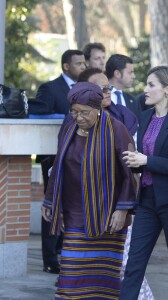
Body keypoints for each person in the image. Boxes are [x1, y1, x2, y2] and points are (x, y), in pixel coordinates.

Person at [41, 82, 137, 299]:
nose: (78, 117)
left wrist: (122, 210)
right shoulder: (69, 128)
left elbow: (130, 173)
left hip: (108, 214)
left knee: (104, 280)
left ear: (98, 109)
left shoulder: (117, 130)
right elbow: (59, 166)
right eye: (74, 112)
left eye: (84, 112)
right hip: (75, 211)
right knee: (71, 273)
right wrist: (50, 201)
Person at [119, 66, 168, 300]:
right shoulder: (145, 117)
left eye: (151, 84)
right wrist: (137, 161)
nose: (145, 89)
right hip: (147, 200)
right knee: (133, 264)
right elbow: (145, 158)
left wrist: (147, 160)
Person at [35, 49, 86, 274]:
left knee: (73, 205)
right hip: (53, 157)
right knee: (53, 207)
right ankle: (50, 258)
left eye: (84, 63)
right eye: (78, 64)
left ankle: (68, 253)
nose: (83, 67)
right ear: (66, 66)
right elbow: (40, 112)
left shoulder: (85, 90)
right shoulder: (50, 88)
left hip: (79, 158)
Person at [77, 68, 138, 136]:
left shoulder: (122, 113)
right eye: (103, 89)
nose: (108, 92)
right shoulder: (77, 119)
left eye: (109, 88)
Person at [105, 54, 141, 119]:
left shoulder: (132, 100)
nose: (134, 76)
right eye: (130, 72)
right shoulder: (99, 97)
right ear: (117, 74)